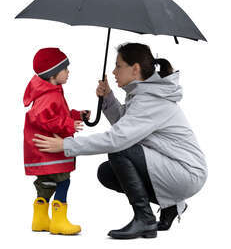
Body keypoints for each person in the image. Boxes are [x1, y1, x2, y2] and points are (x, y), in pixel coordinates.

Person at [33, 43, 207, 239]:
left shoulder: (150, 100)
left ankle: (145, 219)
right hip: (174, 168)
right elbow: (126, 123)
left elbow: (118, 138)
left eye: (118, 66)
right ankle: (170, 205)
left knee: (120, 150)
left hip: (186, 172)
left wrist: (66, 146)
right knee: (107, 173)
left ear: (135, 69)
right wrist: (107, 97)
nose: (114, 72)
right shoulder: (143, 95)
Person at [23, 47, 90, 235]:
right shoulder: (49, 95)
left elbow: (55, 115)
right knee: (63, 182)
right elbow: (42, 118)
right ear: (53, 73)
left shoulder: (50, 91)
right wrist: (69, 124)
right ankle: (59, 221)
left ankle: (40, 218)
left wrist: (76, 115)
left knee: (46, 183)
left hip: (41, 152)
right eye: (65, 69)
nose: (68, 72)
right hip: (49, 150)